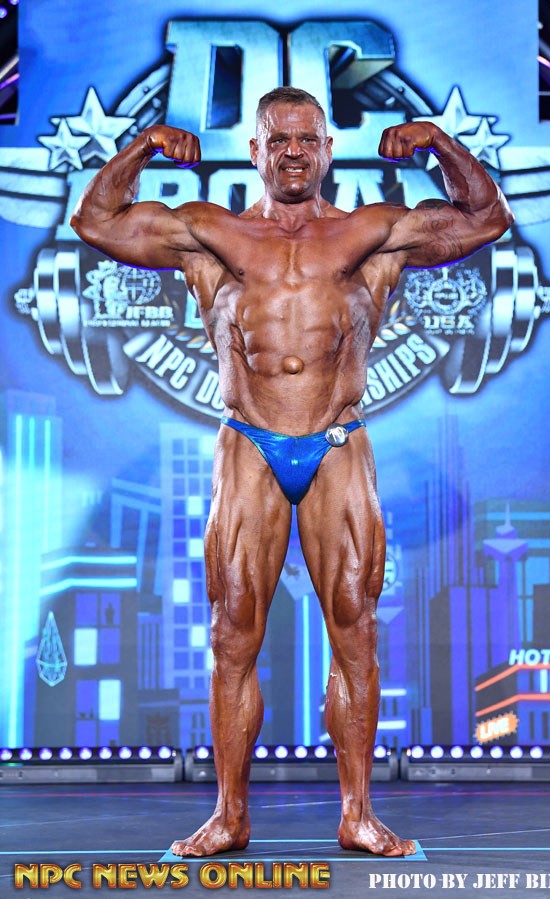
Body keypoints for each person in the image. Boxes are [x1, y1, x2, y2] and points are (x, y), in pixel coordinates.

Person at [70, 87, 513, 857]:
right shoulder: (212, 233)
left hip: (337, 441)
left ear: (329, 148)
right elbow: (96, 221)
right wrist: (142, 147)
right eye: (279, 140)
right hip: (249, 443)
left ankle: (358, 813)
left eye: (308, 138)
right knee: (232, 633)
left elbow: (485, 217)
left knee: (355, 629)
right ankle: (230, 814)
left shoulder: (371, 234)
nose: (294, 152)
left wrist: (440, 141)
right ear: (255, 150)